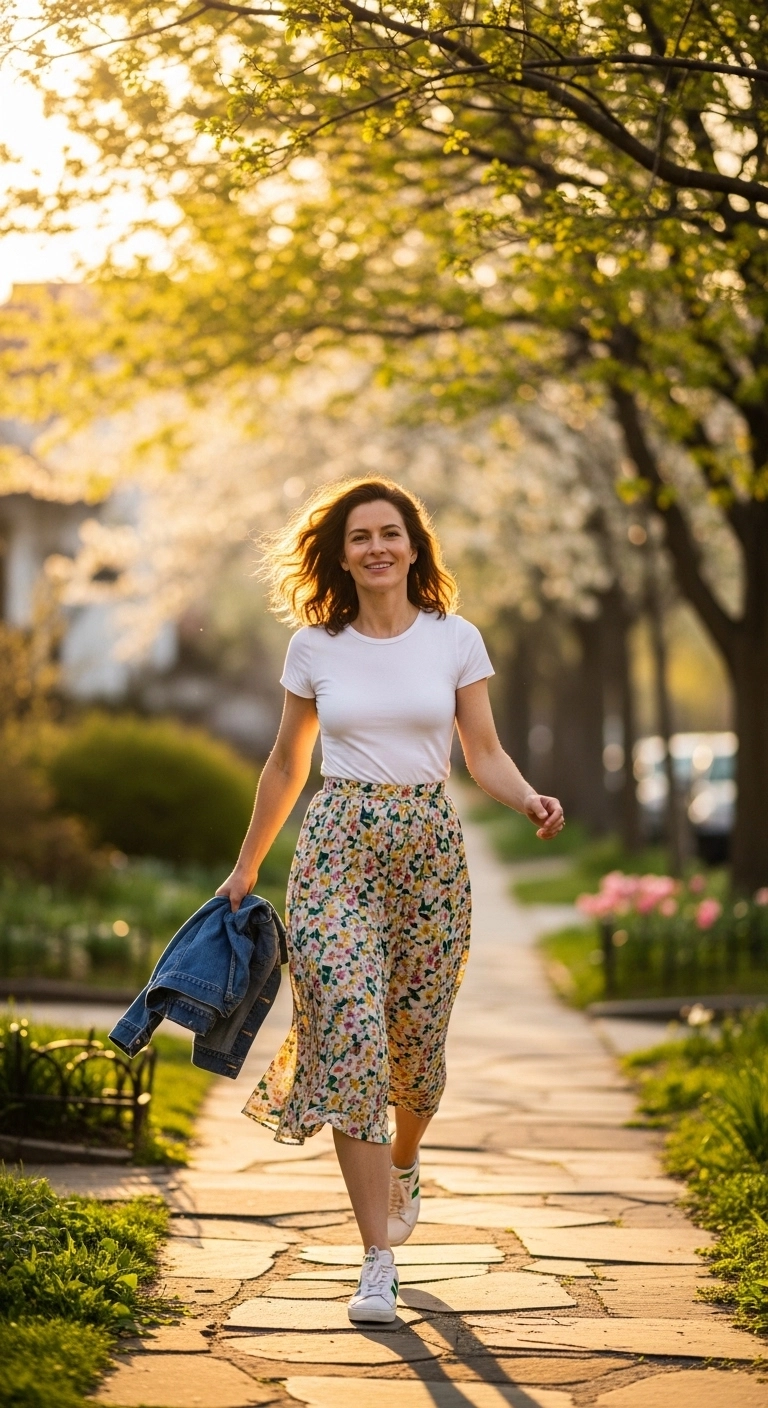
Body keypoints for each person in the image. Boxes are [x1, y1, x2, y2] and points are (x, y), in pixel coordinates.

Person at [216, 477, 564, 1324]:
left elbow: (481, 750)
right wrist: (247, 864)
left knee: (416, 1051)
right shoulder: (315, 647)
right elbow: (286, 765)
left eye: (391, 533)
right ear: (340, 554)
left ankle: (407, 1156)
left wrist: (526, 798)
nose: (376, 547)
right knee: (351, 1035)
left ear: (415, 546)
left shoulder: (456, 639)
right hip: (336, 848)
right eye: (360, 536)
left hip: (429, 855)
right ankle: (376, 1259)